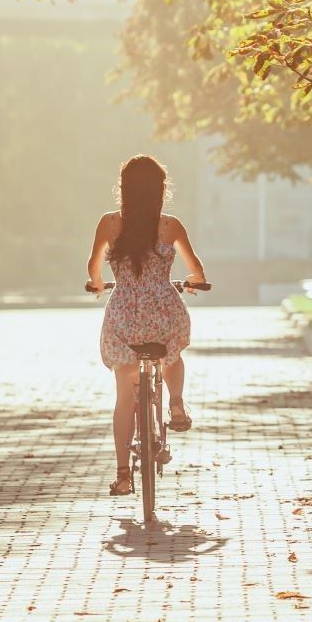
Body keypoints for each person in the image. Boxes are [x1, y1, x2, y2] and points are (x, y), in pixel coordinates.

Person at [86, 154, 207, 496]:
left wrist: (96, 284)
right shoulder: (170, 226)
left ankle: (123, 473)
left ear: (123, 188)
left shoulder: (109, 224)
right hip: (164, 314)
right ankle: (177, 402)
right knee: (172, 355)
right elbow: (195, 268)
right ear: (161, 189)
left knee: (124, 396)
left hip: (124, 317)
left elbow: (93, 268)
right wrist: (194, 281)